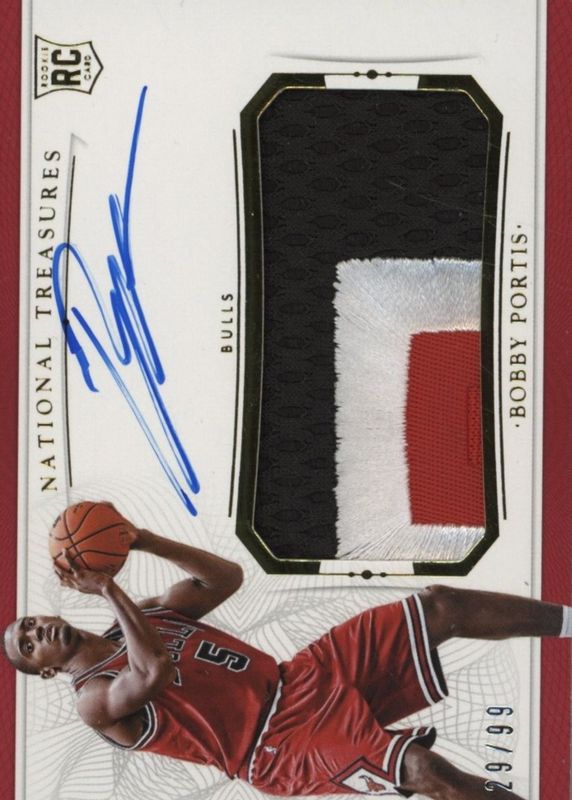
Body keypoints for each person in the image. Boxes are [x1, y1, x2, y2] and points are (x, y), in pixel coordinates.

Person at [3, 519, 569, 800]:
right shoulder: (93, 700)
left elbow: (225, 578)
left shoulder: (144, 617)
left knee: (440, 605)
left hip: (302, 676)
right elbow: (151, 670)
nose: (35, 632)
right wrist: (108, 588)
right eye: (27, 646)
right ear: (46, 669)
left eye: (28, 623)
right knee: (423, 771)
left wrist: (141, 538)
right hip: (277, 745)